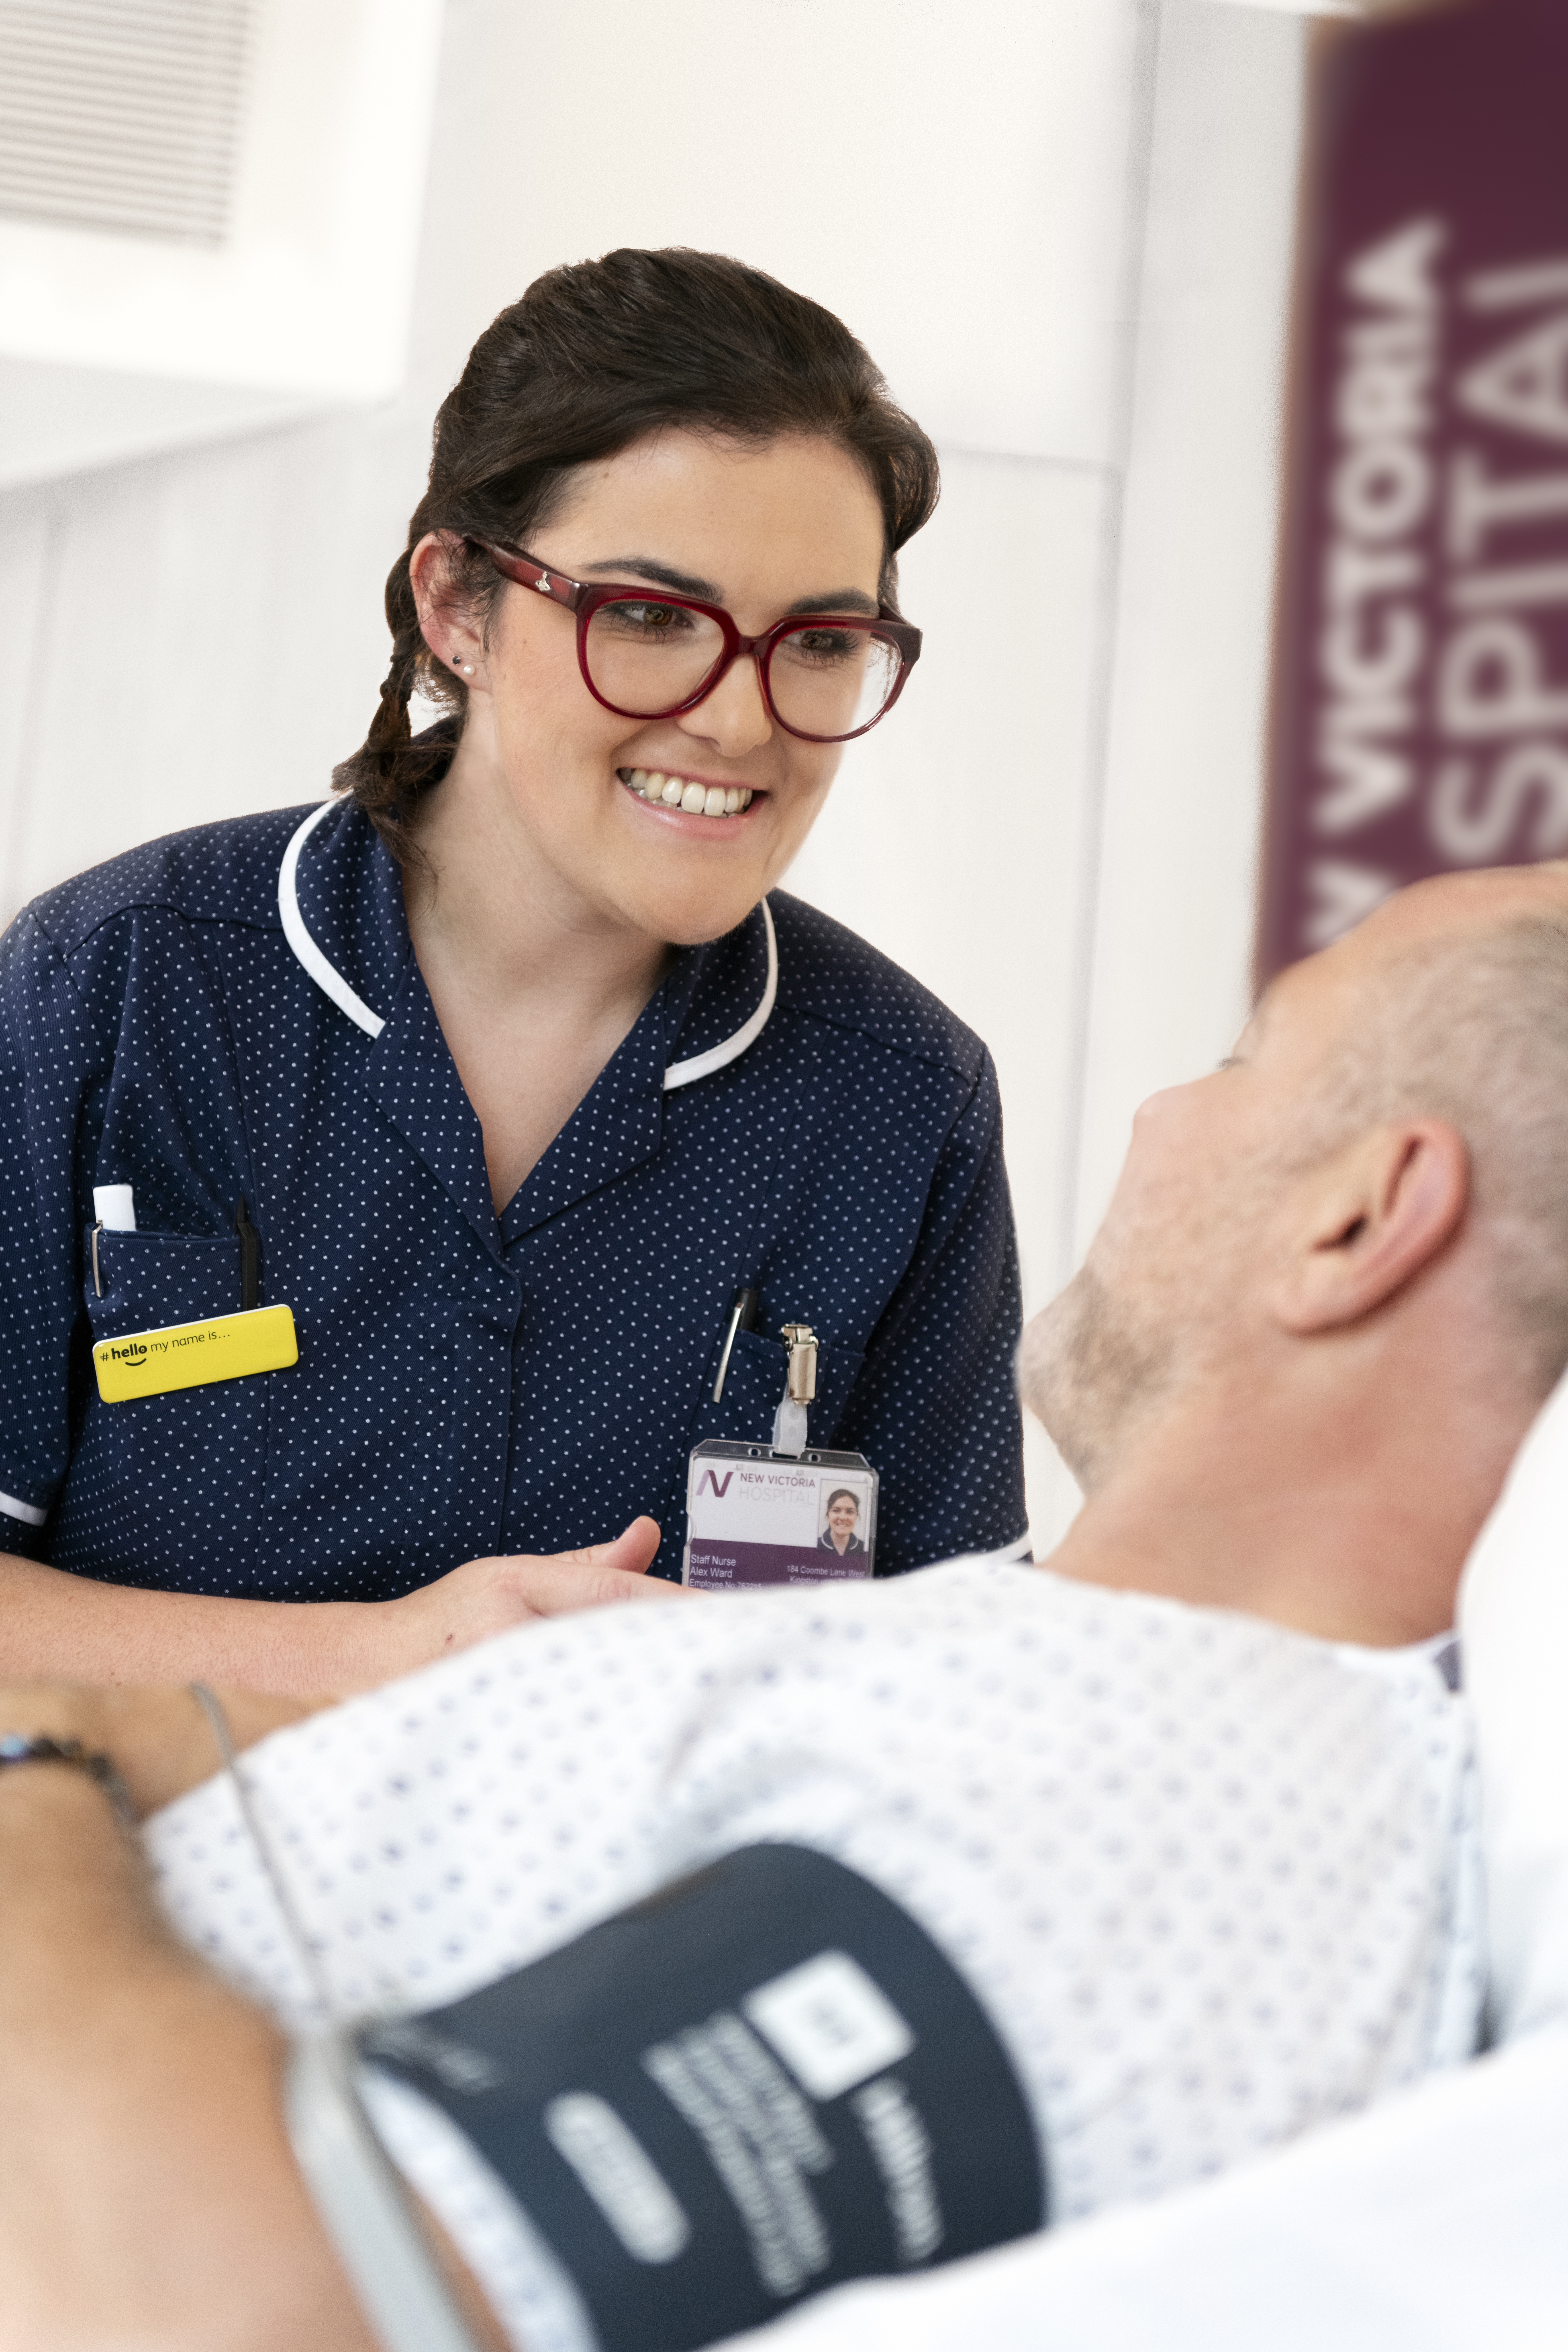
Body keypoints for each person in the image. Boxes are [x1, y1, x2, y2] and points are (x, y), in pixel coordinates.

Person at [3, 857, 1565, 2349]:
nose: (1159, 1108)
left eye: (1239, 1060)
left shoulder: (1162, 1815)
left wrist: (39, 1775)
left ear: (1358, 1220)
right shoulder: (1028, 1678)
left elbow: (201, 2321)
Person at [0, 248, 1028, 1695]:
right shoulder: (115, 983)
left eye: (817, 641)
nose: (739, 720)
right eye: (650, 618)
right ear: (457, 605)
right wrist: (397, 1654)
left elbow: (950, 1680)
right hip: (103, 1895)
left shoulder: (900, 1107)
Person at [816, 1488, 864, 1554]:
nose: (843, 1518)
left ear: (856, 1516)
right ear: (828, 1515)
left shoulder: (864, 1548)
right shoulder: (815, 1545)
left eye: (850, 1512)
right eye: (836, 1511)